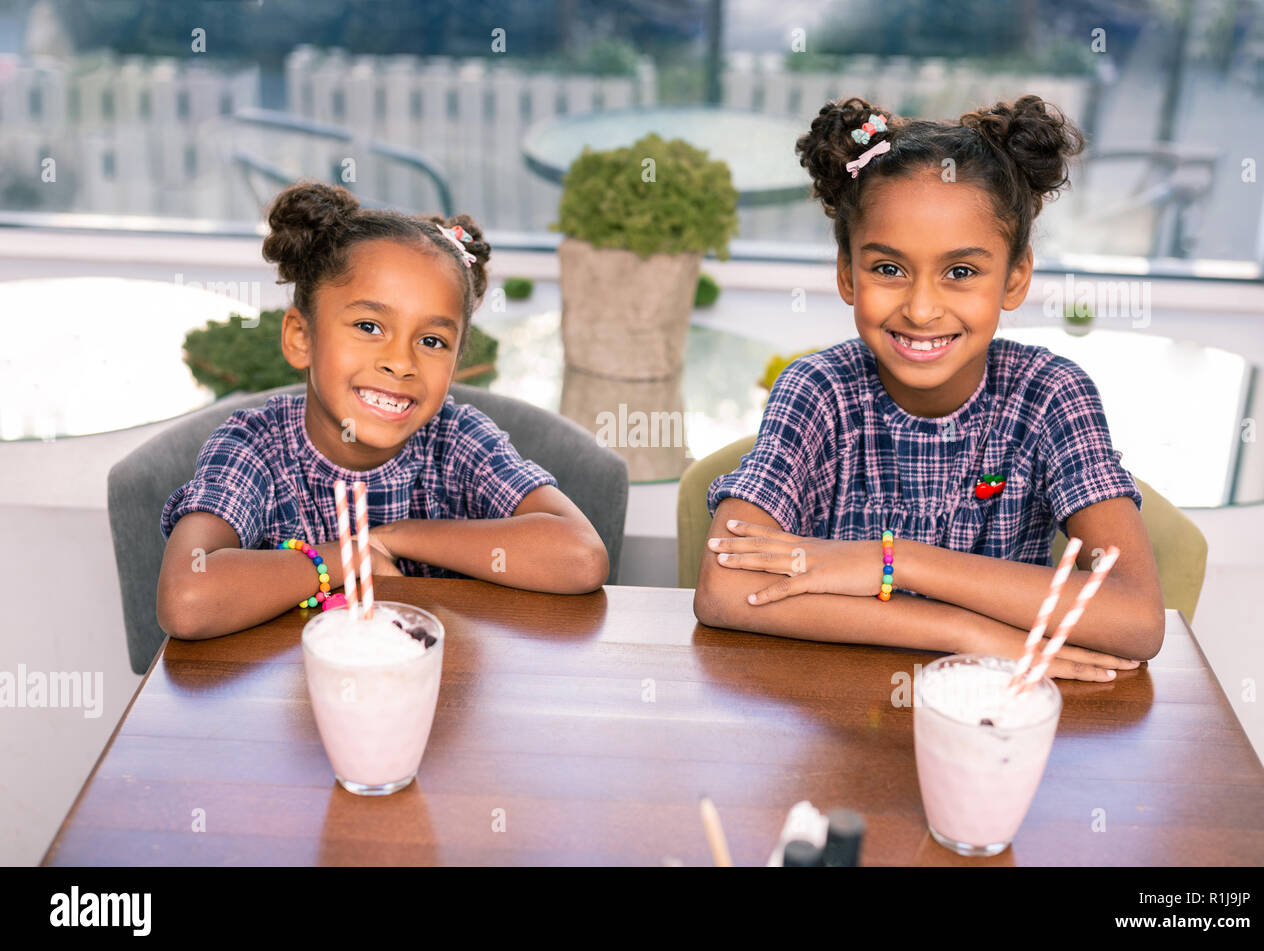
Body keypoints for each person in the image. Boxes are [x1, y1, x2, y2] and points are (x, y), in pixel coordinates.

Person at [694, 95, 1165, 680]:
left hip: (989, 725)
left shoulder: (1050, 395)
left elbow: (1136, 617)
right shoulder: (818, 390)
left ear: (1014, 277)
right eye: (888, 269)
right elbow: (722, 590)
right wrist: (966, 632)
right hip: (836, 716)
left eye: (961, 272)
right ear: (846, 272)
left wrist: (891, 563)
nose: (920, 309)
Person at [157, 181, 608, 640]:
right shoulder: (254, 446)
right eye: (370, 326)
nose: (401, 362)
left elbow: (581, 557)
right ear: (301, 337)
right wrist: (347, 557)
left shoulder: (457, 439)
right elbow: (188, 601)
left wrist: (389, 537)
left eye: (432, 341)